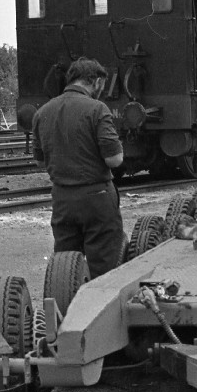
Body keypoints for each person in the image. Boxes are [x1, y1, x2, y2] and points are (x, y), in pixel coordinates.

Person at [32, 56, 125, 279]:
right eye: (102, 84)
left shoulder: (42, 112)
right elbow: (115, 160)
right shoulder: (97, 109)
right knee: (103, 267)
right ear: (95, 81)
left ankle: (70, 309)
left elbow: (40, 161)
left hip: (62, 198)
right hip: (97, 197)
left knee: (66, 266)